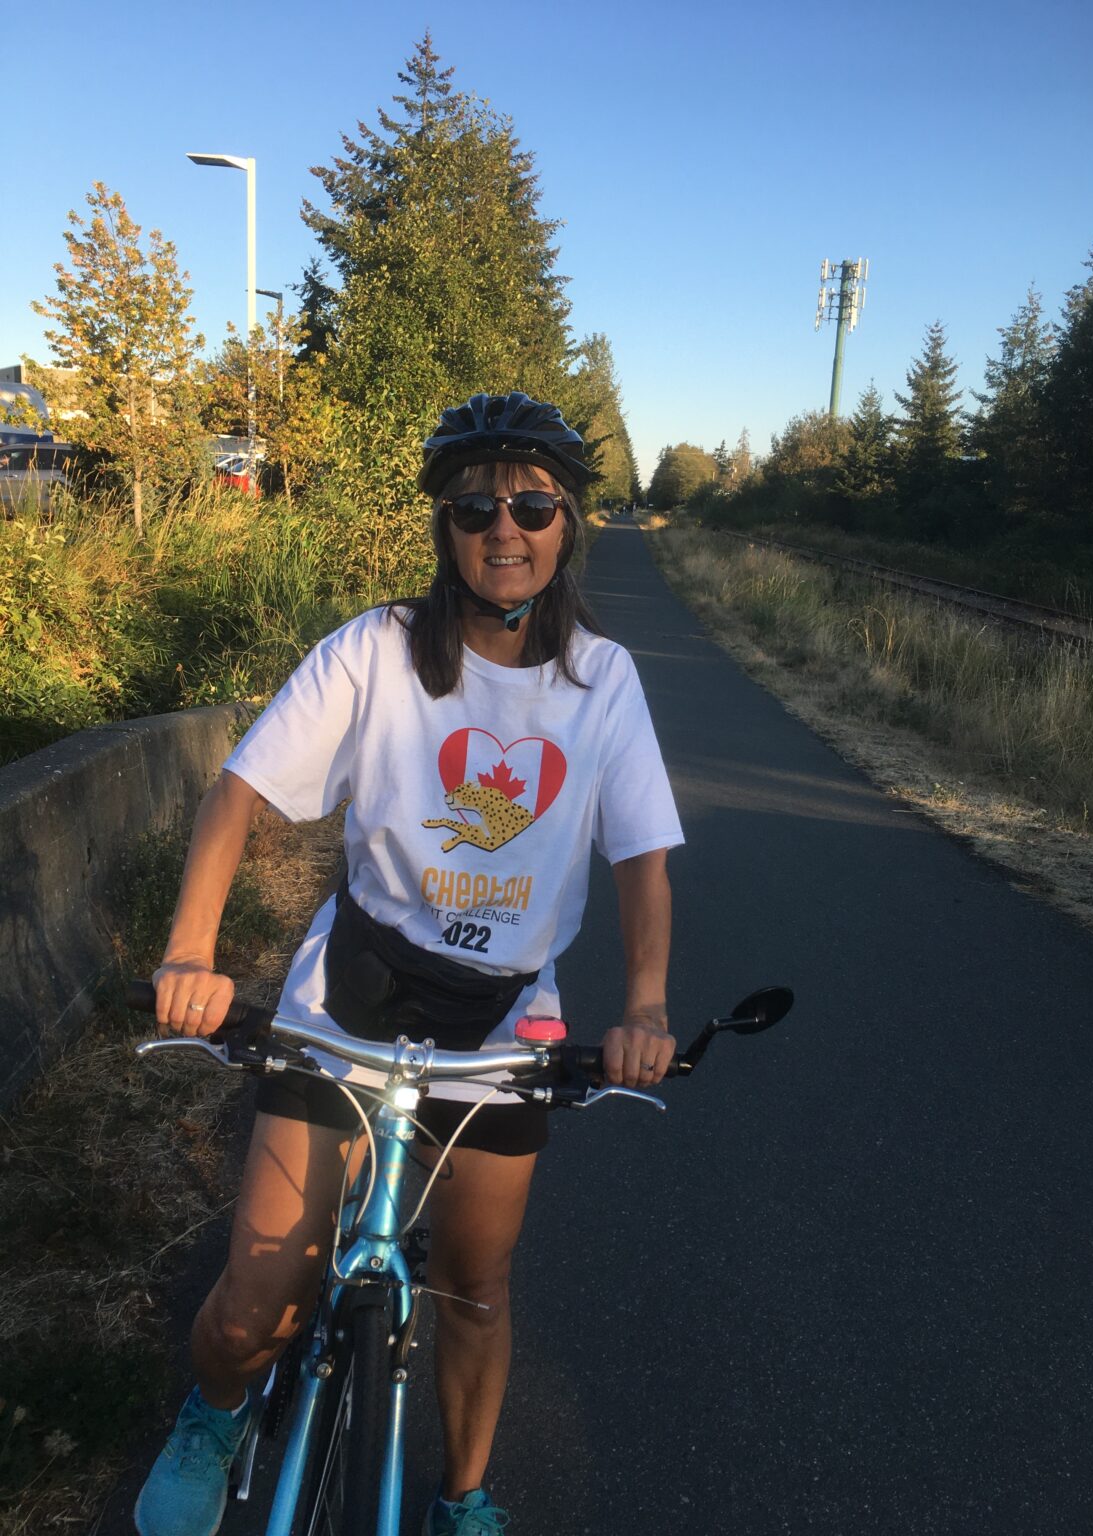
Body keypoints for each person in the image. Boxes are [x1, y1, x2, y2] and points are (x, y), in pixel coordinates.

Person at [134, 392, 684, 1536]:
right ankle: (216, 1414)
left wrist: (643, 1006)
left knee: (475, 1290)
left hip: (500, 1027)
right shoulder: (375, 651)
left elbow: (641, 858)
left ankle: (463, 1496)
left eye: (532, 505)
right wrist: (191, 952)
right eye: (475, 506)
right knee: (252, 1309)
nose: (504, 528)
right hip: (350, 1001)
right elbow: (239, 792)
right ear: (444, 526)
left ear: (567, 524)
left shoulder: (603, 680)